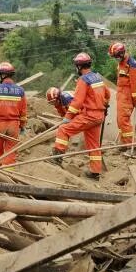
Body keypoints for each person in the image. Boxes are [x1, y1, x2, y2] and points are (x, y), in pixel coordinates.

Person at [51, 52, 110, 180]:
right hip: (99, 116)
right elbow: (107, 94)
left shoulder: (83, 80)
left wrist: (67, 117)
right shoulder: (97, 77)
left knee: (63, 130)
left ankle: (57, 158)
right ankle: (95, 172)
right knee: (94, 145)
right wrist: (104, 104)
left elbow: (77, 102)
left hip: (89, 115)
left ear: (79, 66)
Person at [108, 42, 136, 156]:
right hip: (121, 95)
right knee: (119, 121)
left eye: (116, 56)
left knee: (124, 121)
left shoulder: (132, 65)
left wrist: (135, 100)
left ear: (122, 54)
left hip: (127, 97)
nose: (115, 59)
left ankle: (132, 146)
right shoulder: (122, 63)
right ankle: (123, 144)